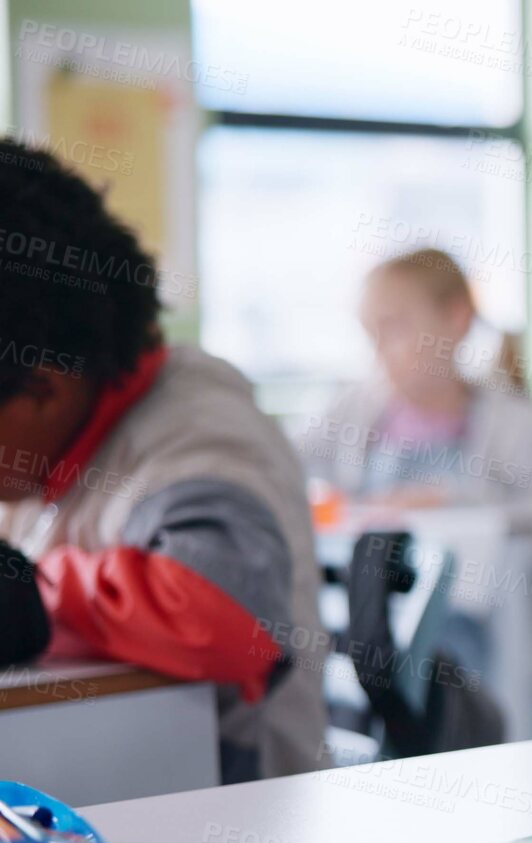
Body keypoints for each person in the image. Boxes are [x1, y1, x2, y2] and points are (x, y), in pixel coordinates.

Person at [0, 138, 325, 781]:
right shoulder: (44, 451)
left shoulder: (197, 430)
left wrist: (32, 593)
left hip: (236, 820)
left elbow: (228, 619)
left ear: (44, 389)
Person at [294, 248, 532, 680]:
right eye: (371, 335)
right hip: (372, 643)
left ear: (456, 320)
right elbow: (284, 467)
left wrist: (454, 503)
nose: (380, 352)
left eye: (395, 329)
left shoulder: (512, 421)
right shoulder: (351, 412)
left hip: (487, 660)